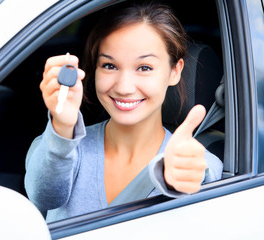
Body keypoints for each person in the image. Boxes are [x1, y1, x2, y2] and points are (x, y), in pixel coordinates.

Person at [25, 1, 223, 222]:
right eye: (109, 66)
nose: (123, 87)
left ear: (174, 72)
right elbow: (43, 197)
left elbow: (201, 173)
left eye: (144, 68)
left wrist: (179, 178)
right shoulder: (59, 145)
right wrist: (62, 128)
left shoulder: (197, 161)